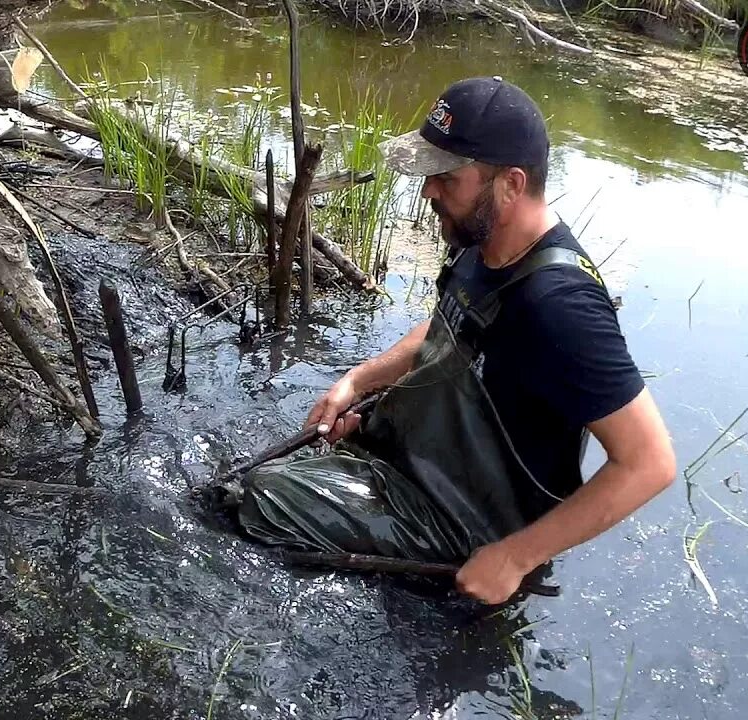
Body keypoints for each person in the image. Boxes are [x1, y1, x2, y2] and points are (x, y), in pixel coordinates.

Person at [234, 76, 676, 606]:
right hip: (427, 470)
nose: (428, 190)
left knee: (257, 499)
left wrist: (514, 558)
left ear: (511, 184)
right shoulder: (481, 239)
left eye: (447, 176)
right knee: (263, 478)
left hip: (472, 526)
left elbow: (650, 462)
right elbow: (450, 329)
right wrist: (357, 381)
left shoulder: (560, 305)